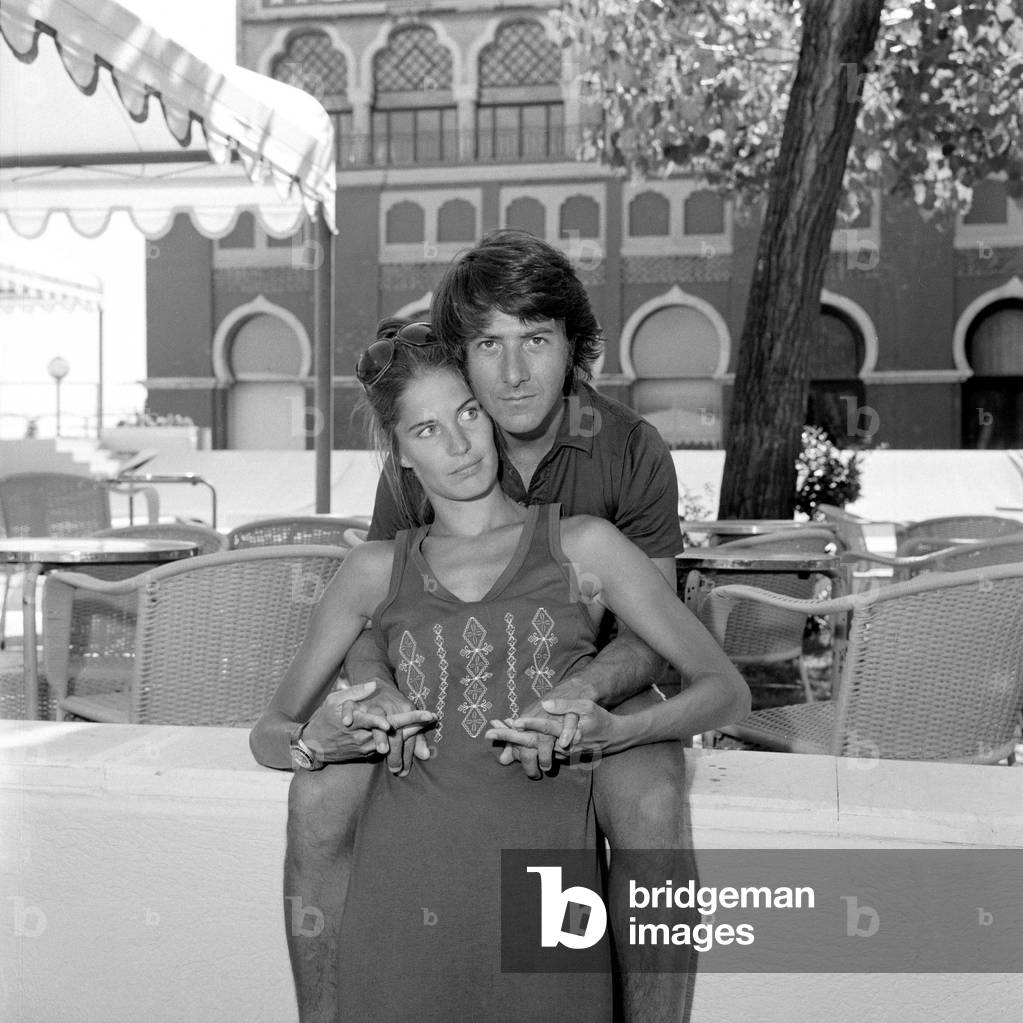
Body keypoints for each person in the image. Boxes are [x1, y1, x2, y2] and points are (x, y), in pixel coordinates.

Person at [249, 334, 750, 1021]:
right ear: (400, 453)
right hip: (398, 909)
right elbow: (268, 733)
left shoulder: (584, 546)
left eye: (465, 414)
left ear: (487, 413)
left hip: (544, 908)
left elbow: (723, 688)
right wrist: (318, 742)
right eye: (427, 428)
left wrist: (618, 730)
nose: (457, 444)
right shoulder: (371, 571)